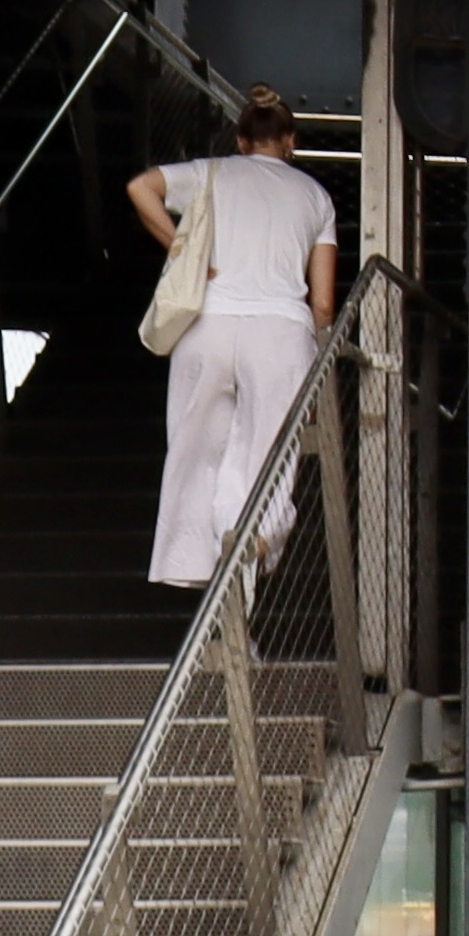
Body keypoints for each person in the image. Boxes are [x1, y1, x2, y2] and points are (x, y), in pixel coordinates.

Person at [129, 86, 340, 587]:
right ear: (290, 140)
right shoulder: (316, 196)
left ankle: (192, 564)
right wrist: (319, 362)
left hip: (208, 324)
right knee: (267, 450)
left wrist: (184, 250)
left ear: (242, 141)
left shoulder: (211, 172)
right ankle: (255, 538)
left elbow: (141, 187)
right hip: (279, 334)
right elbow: (323, 303)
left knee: (195, 447)